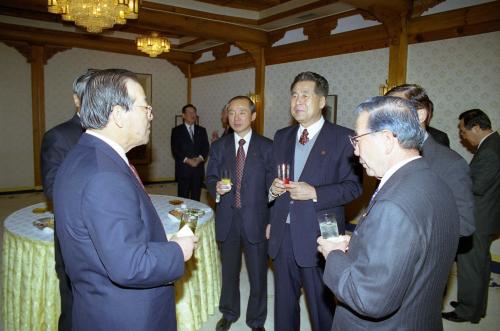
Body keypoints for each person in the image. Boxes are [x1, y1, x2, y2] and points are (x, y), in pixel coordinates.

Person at [53, 69, 197, 331]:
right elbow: (130, 265)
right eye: (145, 108)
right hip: (128, 315)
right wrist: (178, 250)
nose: (151, 116)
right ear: (118, 114)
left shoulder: (82, 155)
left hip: (97, 305)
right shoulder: (104, 176)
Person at [318, 96, 459, 330]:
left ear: (385, 140)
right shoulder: (434, 181)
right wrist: (362, 242)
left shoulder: (393, 205)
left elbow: (368, 298)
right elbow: (414, 248)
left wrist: (333, 255)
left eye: (357, 139)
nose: (354, 151)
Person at [268, 71, 362, 331]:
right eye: (294, 95)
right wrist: (273, 193)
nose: (298, 101)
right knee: (284, 304)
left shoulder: (344, 138)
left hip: (319, 235)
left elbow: (354, 188)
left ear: (322, 101)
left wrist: (315, 192)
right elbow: (271, 181)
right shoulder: (281, 136)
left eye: (305, 95)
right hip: (282, 233)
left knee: (322, 308)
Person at [206, 96, 273, 331]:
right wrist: (214, 186)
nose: (236, 117)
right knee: (229, 272)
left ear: (253, 116)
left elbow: (274, 188)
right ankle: (229, 312)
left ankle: (256, 320)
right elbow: (210, 177)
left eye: (242, 112)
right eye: (231, 112)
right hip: (228, 219)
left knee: (257, 275)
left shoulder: (267, 146)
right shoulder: (219, 146)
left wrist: (272, 221)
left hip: (257, 220)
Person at [40, 69, 95, 331]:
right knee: (73, 303)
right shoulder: (58, 136)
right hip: (76, 235)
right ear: (77, 99)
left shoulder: (112, 134)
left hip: (108, 237)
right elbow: (52, 189)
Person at [386, 84, 475, 236]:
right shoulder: (388, 153)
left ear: (421, 115)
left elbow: (465, 224)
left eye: (394, 111)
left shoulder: (451, 163)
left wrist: (406, 226)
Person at [442, 109, 500, 324]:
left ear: (476, 127)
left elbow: (477, 186)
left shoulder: (491, 151)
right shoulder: (492, 145)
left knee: (471, 267)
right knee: (480, 265)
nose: (462, 136)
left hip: (479, 218)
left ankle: (468, 311)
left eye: (463, 130)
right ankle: (475, 305)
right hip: (485, 214)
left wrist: (453, 181)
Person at [171, 104, 209, 201]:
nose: (193, 115)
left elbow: (206, 148)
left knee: (196, 197)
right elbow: (175, 150)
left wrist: (199, 159)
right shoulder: (176, 131)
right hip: (183, 169)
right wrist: (188, 160)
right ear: (183, 115)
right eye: (190, 112)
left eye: (194, 112)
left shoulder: (202, 130)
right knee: (183, 197)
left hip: (198, 169)